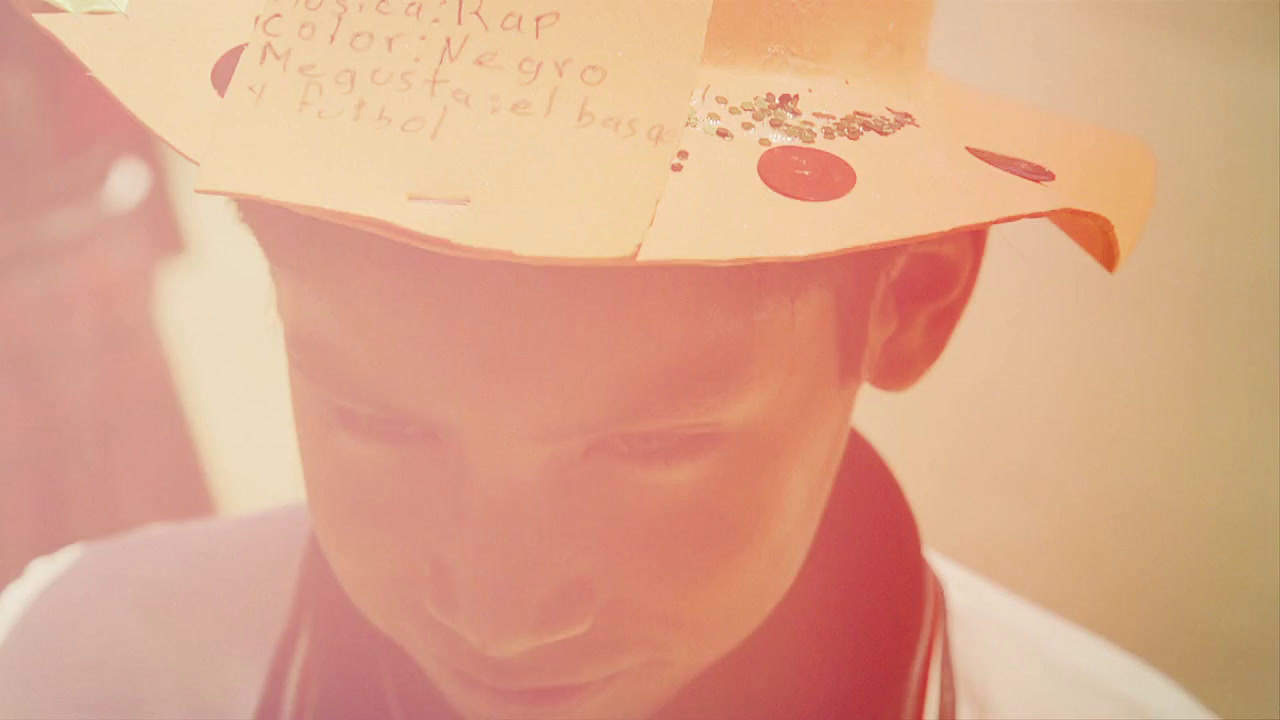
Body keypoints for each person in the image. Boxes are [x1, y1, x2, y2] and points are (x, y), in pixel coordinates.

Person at [0, 1, 1218, 718]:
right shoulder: (65, 668)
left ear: (912, 298)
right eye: (381, 424)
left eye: (650, 447)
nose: (503, 610)